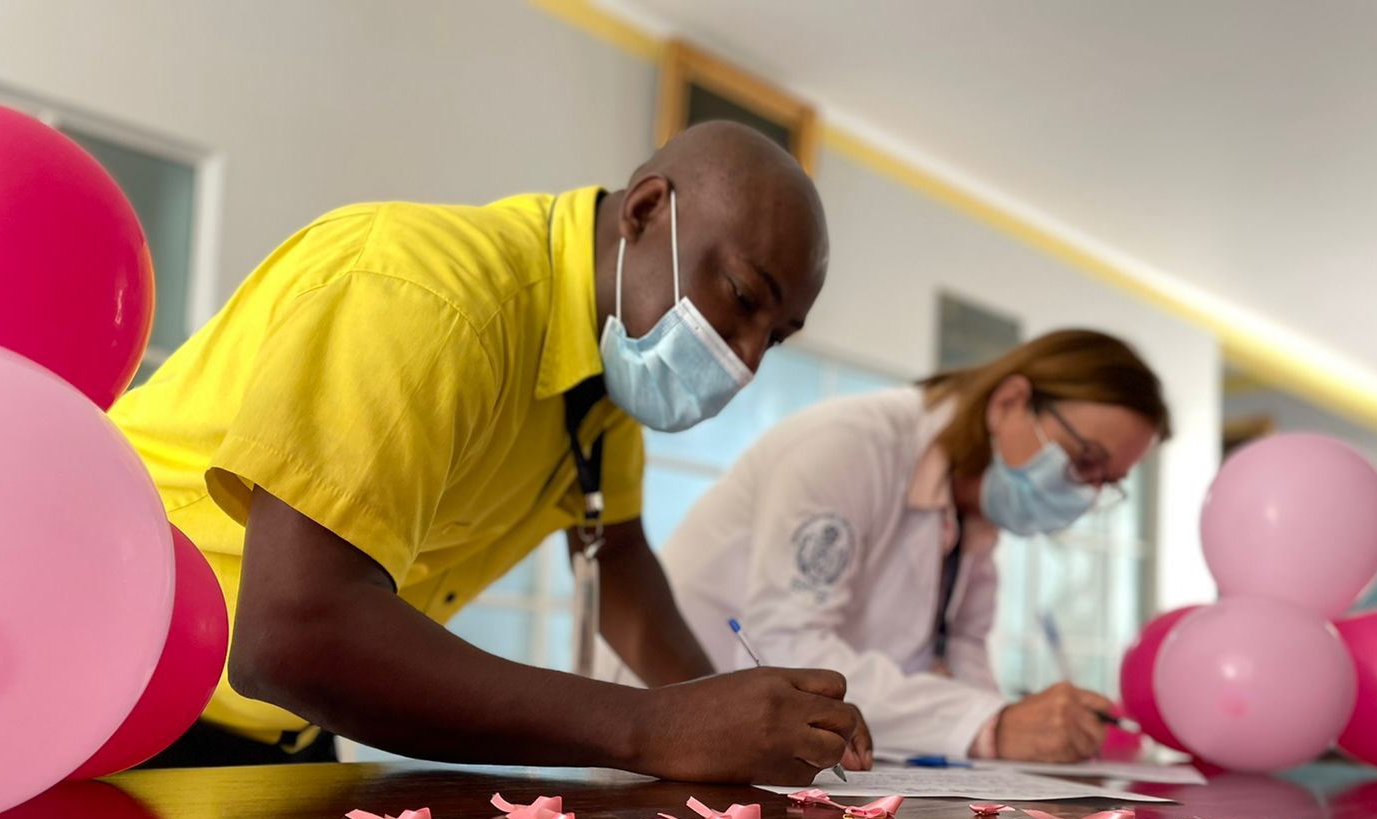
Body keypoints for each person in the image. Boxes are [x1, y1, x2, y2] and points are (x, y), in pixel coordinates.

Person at [109, 121, 870, 783]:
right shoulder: (423, 297)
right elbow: (289, 637)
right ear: (645, 211)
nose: (746, 359)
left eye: (775, 338)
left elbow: (621, 567)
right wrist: (659, 729)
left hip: (283, 734)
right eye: (742, 297)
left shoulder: (603, 384)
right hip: (121, 709)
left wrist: (748, 724)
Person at [618, 329, 1171, 764]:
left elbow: (963, 659)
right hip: (674, 729)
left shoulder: (977, 519)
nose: (1084, 492)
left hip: (803, 758)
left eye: (1106, 483)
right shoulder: (852, 447)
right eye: (1085, 461)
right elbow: (788, 651)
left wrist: (1021, 728)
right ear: (1009, 401)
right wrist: (992, 725)